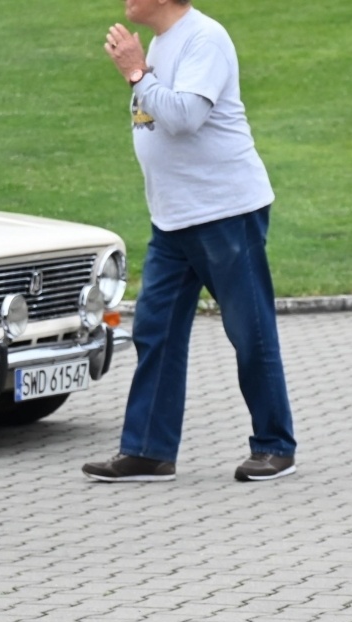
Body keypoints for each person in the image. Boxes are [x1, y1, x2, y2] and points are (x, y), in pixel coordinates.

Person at [84, 0, 297, 483]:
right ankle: (148, 451)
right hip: (173, 219)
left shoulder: (206, 39)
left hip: (225, 213)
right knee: (154, 330)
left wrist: (138, 73)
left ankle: (274, 445)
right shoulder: (162, 42)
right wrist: (141, 71)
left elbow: (184, 118)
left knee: (249, 331)